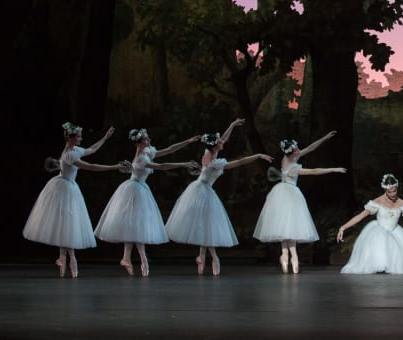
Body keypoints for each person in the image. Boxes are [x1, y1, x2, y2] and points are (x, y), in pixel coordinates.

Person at [165, 118, 273, 276]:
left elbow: (224, 138)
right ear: (215, 145)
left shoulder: (211, 151)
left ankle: (201, 257)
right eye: (219, 142)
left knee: (205, 224)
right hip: (201, 191)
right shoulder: (214, 160)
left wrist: (232, 125)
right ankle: (214, 257)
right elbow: (240, 162)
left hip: (204, 189)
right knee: (207, 224)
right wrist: (256, 155)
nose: (223, 142)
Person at [23, 123, 127, 277]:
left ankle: (63, 258)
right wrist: (114, 167)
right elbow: (90, 167)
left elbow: (92, 150)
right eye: (79, 136)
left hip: (69, 187)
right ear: (71, 138)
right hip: (63, 189)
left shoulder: (74, 150)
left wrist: (105, 138)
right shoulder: (69, 155)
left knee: (67, 222)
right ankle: (69, 258)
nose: (81, 138)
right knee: (66, 221)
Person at [94, 128, 201, 277]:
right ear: (139, 142)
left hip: (140, 189)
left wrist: (188, 141)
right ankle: (142, 258)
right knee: (135, 224)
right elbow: (162, 166)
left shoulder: (148, 152)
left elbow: (169, 149)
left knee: (134, 224)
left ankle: (127, 258)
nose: (149, 140)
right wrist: (183, 164)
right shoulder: (141, 159)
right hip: (134, 190)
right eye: (146, 139)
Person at [253, 131, 345, 274]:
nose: (298, 150)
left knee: (284, 227)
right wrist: (333, 169)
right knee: (291, 225)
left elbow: (310, 148)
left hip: (280, 194)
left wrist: (325, 137)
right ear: (293, 152)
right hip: (290, 195)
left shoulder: (286, 158)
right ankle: (293, 256)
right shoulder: (294, 167)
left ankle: (284, 255)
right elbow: (314, 171)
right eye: (296, 149)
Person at [337, 173, 403, 274]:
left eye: (395, 191)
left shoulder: (402, 203)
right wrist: (343, 227)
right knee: (382, 242)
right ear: (385, 190)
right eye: (390, 192)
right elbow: (360, 216)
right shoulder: (378, 202)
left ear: (397, 188)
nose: (393, 194)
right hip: (378, 232)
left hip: (395, 232)